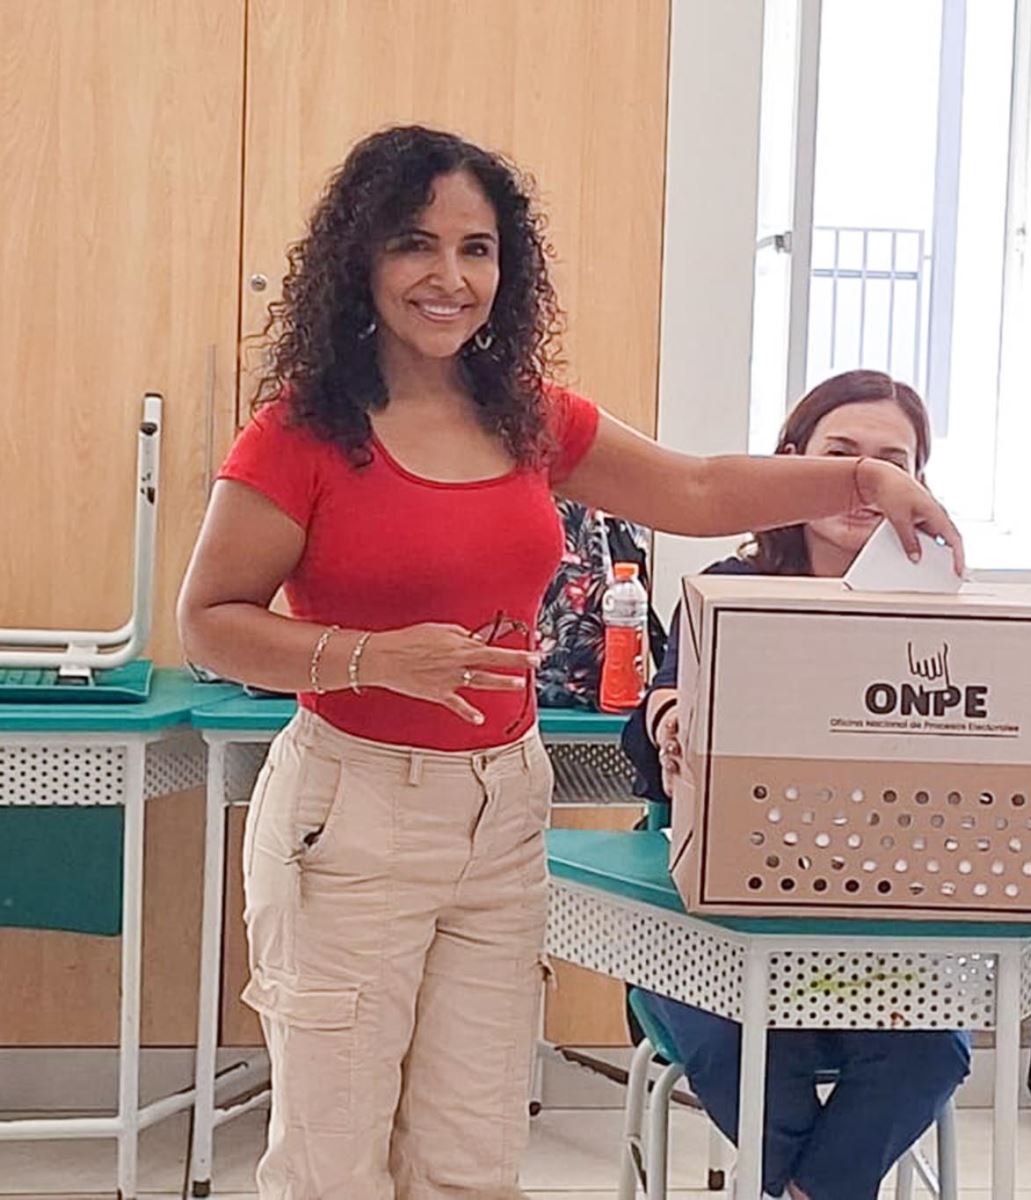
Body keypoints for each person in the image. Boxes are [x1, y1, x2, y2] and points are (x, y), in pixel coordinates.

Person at [176, 126, 961, 1200]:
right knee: (331, 1160)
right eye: (416, 244)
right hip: (352, 812)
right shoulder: (301, 434)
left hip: (503, 807)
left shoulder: (529, 417)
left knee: (472, 1155)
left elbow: (693, 491)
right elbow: (209, 623)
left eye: (477, 248)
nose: (450, 278)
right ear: (361, 257)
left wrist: (861, 485)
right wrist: (366, 658)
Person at [639, 369, 970, 1200]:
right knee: (746, 1054)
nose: (864, 482)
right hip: (716, 922)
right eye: (841, 455)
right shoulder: (727, 588)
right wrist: (668, 717)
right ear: (793, 462)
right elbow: (654, 732)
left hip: (880, 930)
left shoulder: (944, 610)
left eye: (892, 460)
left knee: (931, 1051)